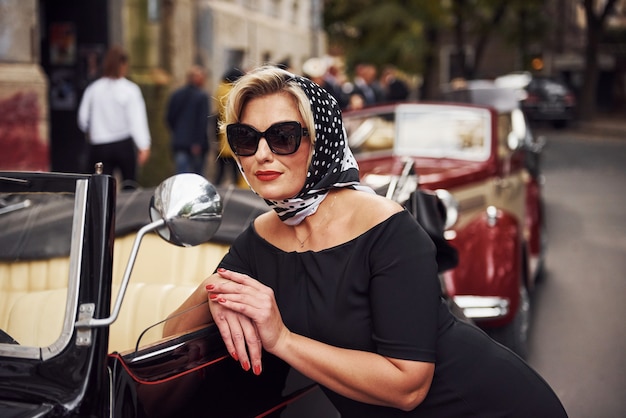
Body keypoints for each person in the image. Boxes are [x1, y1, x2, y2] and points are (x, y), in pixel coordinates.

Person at [162, 65, 568, 417]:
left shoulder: (388, 229)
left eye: (283, 136)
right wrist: (216, 293)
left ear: (319, 142)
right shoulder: (262, 236)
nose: (262, 155)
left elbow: (408, 386)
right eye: (246, 138)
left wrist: (281, 339)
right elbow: (171, 336)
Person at [77, 45, 151, 187]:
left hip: (99, 144)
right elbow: (136, 120)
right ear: (123, 65)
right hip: (123, 143)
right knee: (129, 185)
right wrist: (144, 145)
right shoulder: (130, 90)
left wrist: (93, 129)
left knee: (101, 188)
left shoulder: (93, 89)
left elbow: (82, 119)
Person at [165, 65, 210, 175]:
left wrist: (177, 132)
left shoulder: (176, 94)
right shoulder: (202, 97)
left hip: (180, 142)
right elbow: (202, 122)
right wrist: (198, 142)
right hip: (196, 145)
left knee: (181, 176)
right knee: (197, 179)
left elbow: (169, 117)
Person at [214, 67, 245, 186]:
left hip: (223, 136)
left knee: (221, 171)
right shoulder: (234, 93)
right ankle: (238, 193)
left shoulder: (220, 91)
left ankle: (216, 188)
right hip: (236, 137)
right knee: (236, 170)